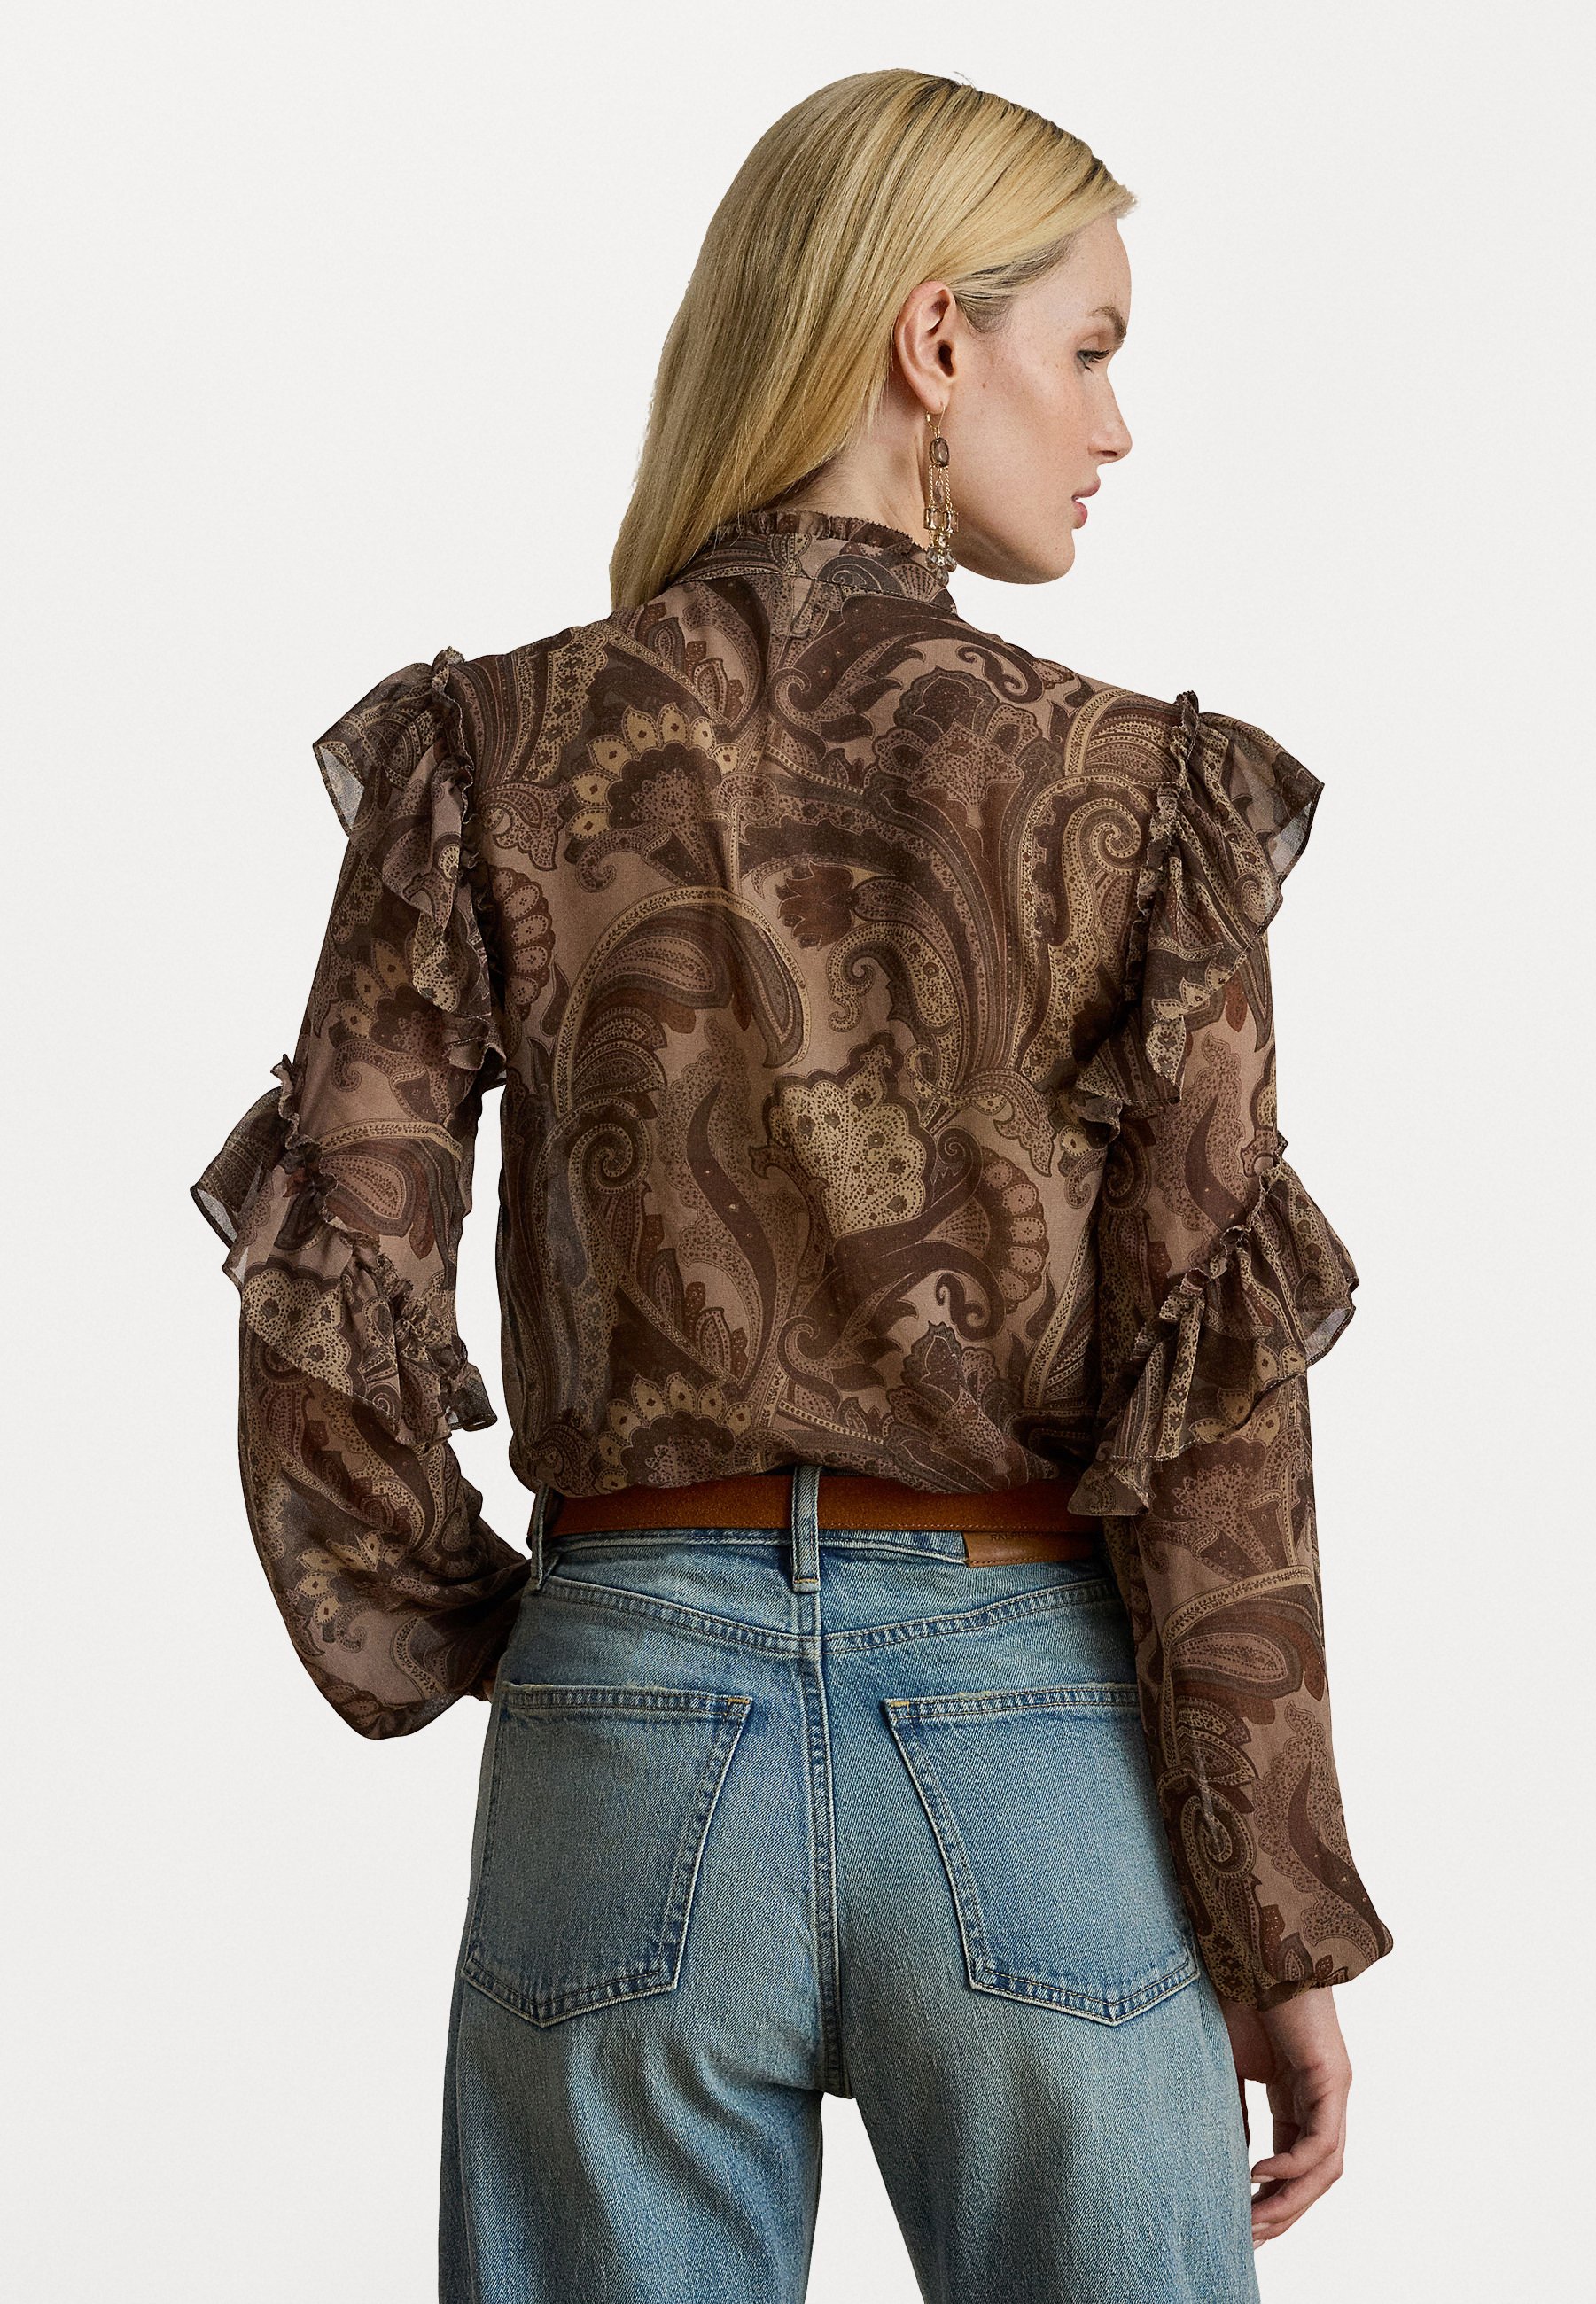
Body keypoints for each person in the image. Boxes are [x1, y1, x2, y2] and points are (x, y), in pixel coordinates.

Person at [192, 66, 1392, 2303]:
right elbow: (1214, 1410)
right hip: (1029, 1733)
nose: (1115, 427)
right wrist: (1273, 1913)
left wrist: (522, 1634)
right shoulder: (1137, 795)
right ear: (936, 343)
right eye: (1089, 350)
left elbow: (330, 1271)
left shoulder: (485, 751)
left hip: (627, 1715)